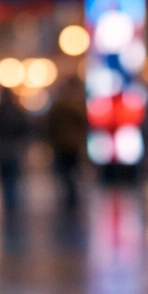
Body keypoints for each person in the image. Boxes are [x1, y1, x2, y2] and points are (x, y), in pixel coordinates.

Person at [0, 85, 32, 213]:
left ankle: (9, 202)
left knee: (5, 177)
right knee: (12, 176)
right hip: (13, 149)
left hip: (2, 149)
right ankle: (12, 203)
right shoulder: (16, 110)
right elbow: (25, 128)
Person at [46, 73, 88, 209]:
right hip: (71, 144)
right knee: (71, 172)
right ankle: (72, 196)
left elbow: (49, 124)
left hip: (63, 144)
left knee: (65, 172)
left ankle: (70, 196)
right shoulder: (77, 104)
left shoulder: (59, 105)